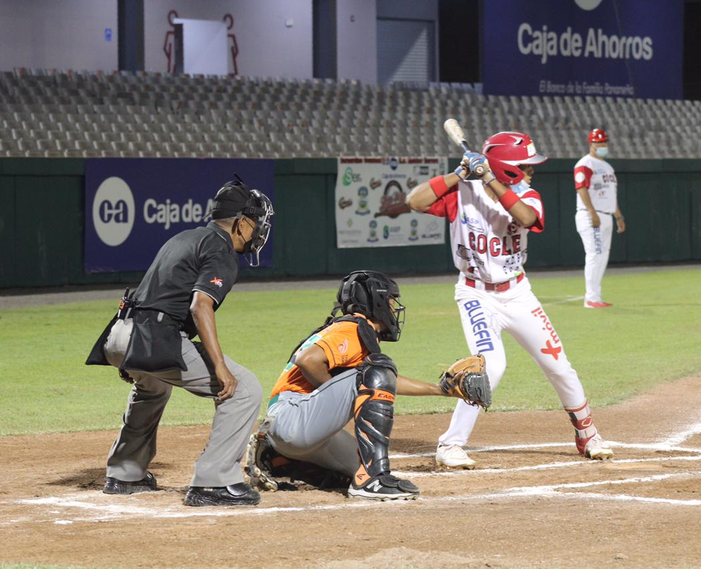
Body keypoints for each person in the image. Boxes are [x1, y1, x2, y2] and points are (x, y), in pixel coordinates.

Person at [405, 131, 614, 469]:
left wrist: (488, 178)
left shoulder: (527, 195)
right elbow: (414, 200)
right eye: (525, 164)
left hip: (517, 293)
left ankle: (588, 434)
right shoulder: (462, 192)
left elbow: (527, 218)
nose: (531, 170)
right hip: (475, 293)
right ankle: (451, 444)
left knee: (558, 365)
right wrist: (458, 174)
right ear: (508, 167)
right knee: (490, 366)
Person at [85, 176, 274, 507]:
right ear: (241, 222)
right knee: (244, 388)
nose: (258, 230)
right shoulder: (220, 248)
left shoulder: (184, 238)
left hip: (121, 334)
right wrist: (219, 367)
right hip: (152, 338)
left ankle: (125, 473)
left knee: (153, 386)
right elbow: (200, 306)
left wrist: (132, 355)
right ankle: (213, 482)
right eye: (256, 222)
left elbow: (149, 295)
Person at [247, 270, 485, 500]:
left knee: (349, 472)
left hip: (299, 429)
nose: (394, 307)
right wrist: (340, 396)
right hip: (294, 417)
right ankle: (373, 480)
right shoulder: (351, 327)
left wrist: (440, 389)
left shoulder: (351, 331)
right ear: (376, 301)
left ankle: (277, 458)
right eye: (391, 300)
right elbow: (308, 361)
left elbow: (379, 381)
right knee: (377, 370)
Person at [573, 128, 626, 308]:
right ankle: (591, 298)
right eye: (599, 142)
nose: (602, 145)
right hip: (591, 215)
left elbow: (610, 195)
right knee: (595, 255)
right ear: (591, 144)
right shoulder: (585, 164)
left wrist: (618, 216)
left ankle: (596, 296)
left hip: (606, 215)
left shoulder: (608, 167)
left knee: (602, 256)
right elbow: (581, 188)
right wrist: (591, 212)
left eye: (604, 142)